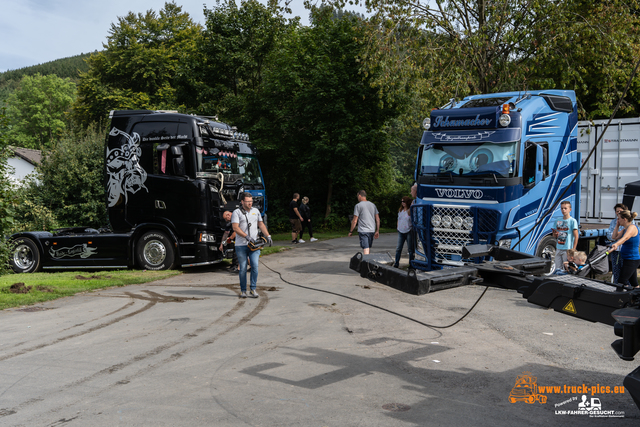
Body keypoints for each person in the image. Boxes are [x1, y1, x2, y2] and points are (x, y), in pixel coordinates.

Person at [231, 192, 272, 298]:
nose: (250, 203)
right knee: (243, 268)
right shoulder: (237, 212)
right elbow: (235, 228)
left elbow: (261, 224)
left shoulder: (256, 211)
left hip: (254, 245)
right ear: (242, 202)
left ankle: (253, 289)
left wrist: (268, 236)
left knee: (255, 266)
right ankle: (243, 290)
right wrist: (246, 236)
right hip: (241, 245)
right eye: (248, 201)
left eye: (251, 201)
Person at [610, 210, 640, 288]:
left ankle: (624, 298)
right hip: (627, 259)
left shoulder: (632, 227)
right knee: (634, 283)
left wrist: (616, 244)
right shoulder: (625, 229)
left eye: (619, 218)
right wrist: (617, 225)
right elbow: (614, 237)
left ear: (625, 219)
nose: (618, 220)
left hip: (632, 260)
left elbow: (625, 238)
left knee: (622, 281)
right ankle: (636, 297)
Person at [348, 190, 380, 255]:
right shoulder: (373, 205)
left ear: (359, 195)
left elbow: (354, 220)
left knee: (365, 248)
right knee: (368, 248)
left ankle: (366, 264)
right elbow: (377, 219)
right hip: (371, 230)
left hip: (363, 231)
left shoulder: (358, 205)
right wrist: (377, 230)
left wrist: (351, 231)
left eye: (357, 196)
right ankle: (368, 262)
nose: (357, 198)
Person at [552, 200, 579, 273]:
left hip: (567, 249)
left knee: (566, 268)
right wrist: (555, 234)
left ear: (570, 209)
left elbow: (576, 236)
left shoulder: (572, 221)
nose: (563, 210)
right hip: (559, 247)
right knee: (558, 268)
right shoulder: (557, 220)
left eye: (565, 208)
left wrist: (573, 249)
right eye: (562, 208)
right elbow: (554, 236)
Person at [606, 203, 628, 283]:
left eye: (620, 211)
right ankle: (616, 286)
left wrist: (616, 236)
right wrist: (615, 236)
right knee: (616, 270)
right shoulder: (613, 222)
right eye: (617, 211)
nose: (618, 213)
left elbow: (626, 236)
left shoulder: (629, 222)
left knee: (625, 271)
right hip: (615, 250)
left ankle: (625, 286)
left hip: (624, 250)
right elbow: (609, 235)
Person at [394, 196, 414, 268]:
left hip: (408, 230)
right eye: (402, 202)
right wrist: (397, 227)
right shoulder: (400, 210)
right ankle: (396, 263)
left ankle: (411, 264)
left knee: (410, 249)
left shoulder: (409, 211)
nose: (402, 203)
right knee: (398, 248)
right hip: (401, 231)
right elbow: (398, 219)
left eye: (404, 201)